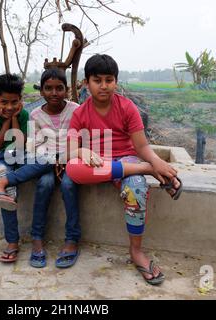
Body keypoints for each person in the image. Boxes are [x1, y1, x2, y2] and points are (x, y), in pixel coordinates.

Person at [66, 54, 182, 285]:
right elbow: (70, 150)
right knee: (72, 169)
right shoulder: (80, 113)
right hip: (98, 164)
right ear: (86, 83)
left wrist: (157, 162)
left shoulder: (127, 107)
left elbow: (140, 146)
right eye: (97, 80)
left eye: (109, 80)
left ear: (116, 82)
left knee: (136, 189)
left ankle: (136, 251)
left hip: (127, 158)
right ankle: (145, 170)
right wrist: (83, 152)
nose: (104, 86)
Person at [0, 69, 81, 268]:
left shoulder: (29, 113)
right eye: (4, 102)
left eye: (14, 102)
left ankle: (71, 239)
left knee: (59, 181)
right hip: (0, 157)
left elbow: (20, 146)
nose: (10, 107)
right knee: (22, 187)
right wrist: (9, 120)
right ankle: (15, 241)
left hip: (37, 157)